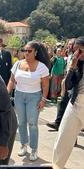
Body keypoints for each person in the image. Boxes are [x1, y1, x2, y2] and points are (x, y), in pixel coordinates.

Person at [7, 41, 50, 161]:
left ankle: (34, 149)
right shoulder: (18, 64)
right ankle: (23, 145)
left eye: (29, 51)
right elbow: (11, 80)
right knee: (21, 123)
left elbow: (46, 86)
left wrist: (43, 100)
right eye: (24, 50)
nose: (26, 53)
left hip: (34, 97)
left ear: (36, 52)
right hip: (19, 96)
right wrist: (7, 93)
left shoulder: (42, 67)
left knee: (32, 124)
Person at [52, 37, 84, 169]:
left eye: (80, 50)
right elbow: (70, 85)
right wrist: (73, 67)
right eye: (75, 50)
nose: (77, 53)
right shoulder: (76, 63)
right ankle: (57, 166)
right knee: (63, 137)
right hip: (76, 102)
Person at [47, 39, 75, 130]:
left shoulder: (76, 57)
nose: (69, 46)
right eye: (69, 44)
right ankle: (58, 122)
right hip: (66, 80)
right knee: (62, 102)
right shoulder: (69, 56)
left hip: (73, 84)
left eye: (71, 44)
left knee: (69, 105)